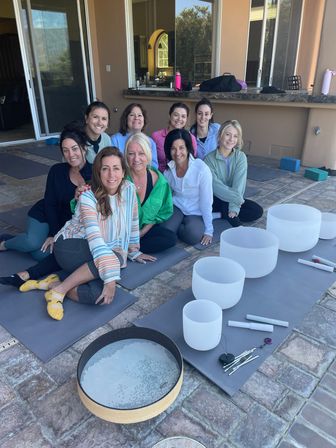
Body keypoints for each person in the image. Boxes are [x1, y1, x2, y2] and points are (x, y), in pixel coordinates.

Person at [11, 147, 155, 321]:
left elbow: (132, 222)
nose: (111, 175)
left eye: (116, 168)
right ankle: (58, 292)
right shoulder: (88, 196)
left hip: (98, 252)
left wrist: (133, 250)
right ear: (98, 172)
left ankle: (55, 283)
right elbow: (95, 239)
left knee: (98, 295)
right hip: (70, 247)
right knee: (115, 260)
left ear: (123, 171)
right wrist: (110, 280)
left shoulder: (128, 189)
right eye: (105, 168)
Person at [0, 125, 92, 260]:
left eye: (74, 149)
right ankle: (5, 244)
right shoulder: (57, 170)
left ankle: (20, 240)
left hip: (67, 224)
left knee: (40, 254)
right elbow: (50, 203)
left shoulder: (94, 173)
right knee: (32, 242)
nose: (71, 155)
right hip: (44, 213)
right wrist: (52, 234)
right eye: (65, 151)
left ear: (84, 148)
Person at [204, 120, 263, 227]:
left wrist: (234, 207)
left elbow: (239, 185)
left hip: (233, 197)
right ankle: (239, 229)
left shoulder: (240, 157)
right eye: (228, 134)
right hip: (215, 199)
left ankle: (220, 215)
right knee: (224, 204)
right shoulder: (208, 159)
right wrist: (238, 200)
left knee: (257, 210)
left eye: (235, 136)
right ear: (220, 136)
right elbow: (216, 187)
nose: (231, 139)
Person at [125, 133, 176, 253]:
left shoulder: (159, 181)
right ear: (126, 156)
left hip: (142, 230)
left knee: (170, 238)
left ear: (148, 155)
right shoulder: (120, 177)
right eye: (131, 154)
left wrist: (141, 233)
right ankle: (126, 247)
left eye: (141, 153)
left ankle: (129, 249)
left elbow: (160, 213)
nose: (136, 159)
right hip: (121, 230)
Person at [161, 129, 213, 246]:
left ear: (188, 148)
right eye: (173, 148)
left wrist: (209, 230)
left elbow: (206, 201)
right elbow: (167, 196)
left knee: (193, 236)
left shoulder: (201, 169)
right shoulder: (168, 170)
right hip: (177, 207)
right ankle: (177, 225)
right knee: (165, 231)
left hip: (195, 211)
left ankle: (182, 225)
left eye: (181, 148)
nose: (177, 152)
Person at [151, 102, 197, 172]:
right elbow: (150, 161)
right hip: (160, 178)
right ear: (170, 116)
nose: (179, 119)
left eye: (183, 116)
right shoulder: (156, 136)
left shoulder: (191, 138)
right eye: (176, 115)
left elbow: (192, 161)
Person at [111, 103, 158, 168]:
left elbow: (154, 166)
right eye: (132, 115)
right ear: (126, 118)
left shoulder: (150, 142)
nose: (136, 118)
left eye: (139, 115)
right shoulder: (115, 139)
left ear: (144, 119)